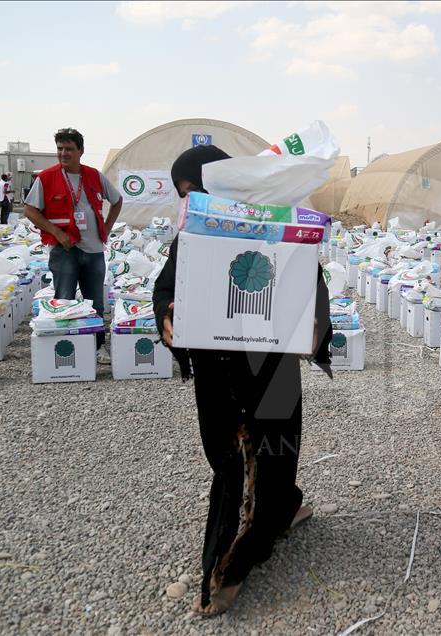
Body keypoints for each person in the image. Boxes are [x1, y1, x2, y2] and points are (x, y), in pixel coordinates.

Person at [152, 145, 333, 617]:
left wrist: (315, 321)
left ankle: (277, 515)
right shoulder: (191, 236)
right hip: (220, 371)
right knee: (231, 462)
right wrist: (167, 316)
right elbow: (167, 287)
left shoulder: (274, 227)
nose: (191, 204)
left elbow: (313, 282)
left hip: (272, 368)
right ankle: (225, 563)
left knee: (277, 450)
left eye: (195, 192)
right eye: (184, 196)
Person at [23, 128, 122, 362]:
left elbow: (117, 201)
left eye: (69, 149)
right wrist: (56, 232)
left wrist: (106, 227)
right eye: (59, 149)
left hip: (94, 250)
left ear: (81, 151)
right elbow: (29, 210)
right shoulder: (46, 178)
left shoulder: (94, 176)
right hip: (64, 250)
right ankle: (67, 347)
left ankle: (98, 347)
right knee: (64, 300)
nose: (63, 153)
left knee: (95, 302)